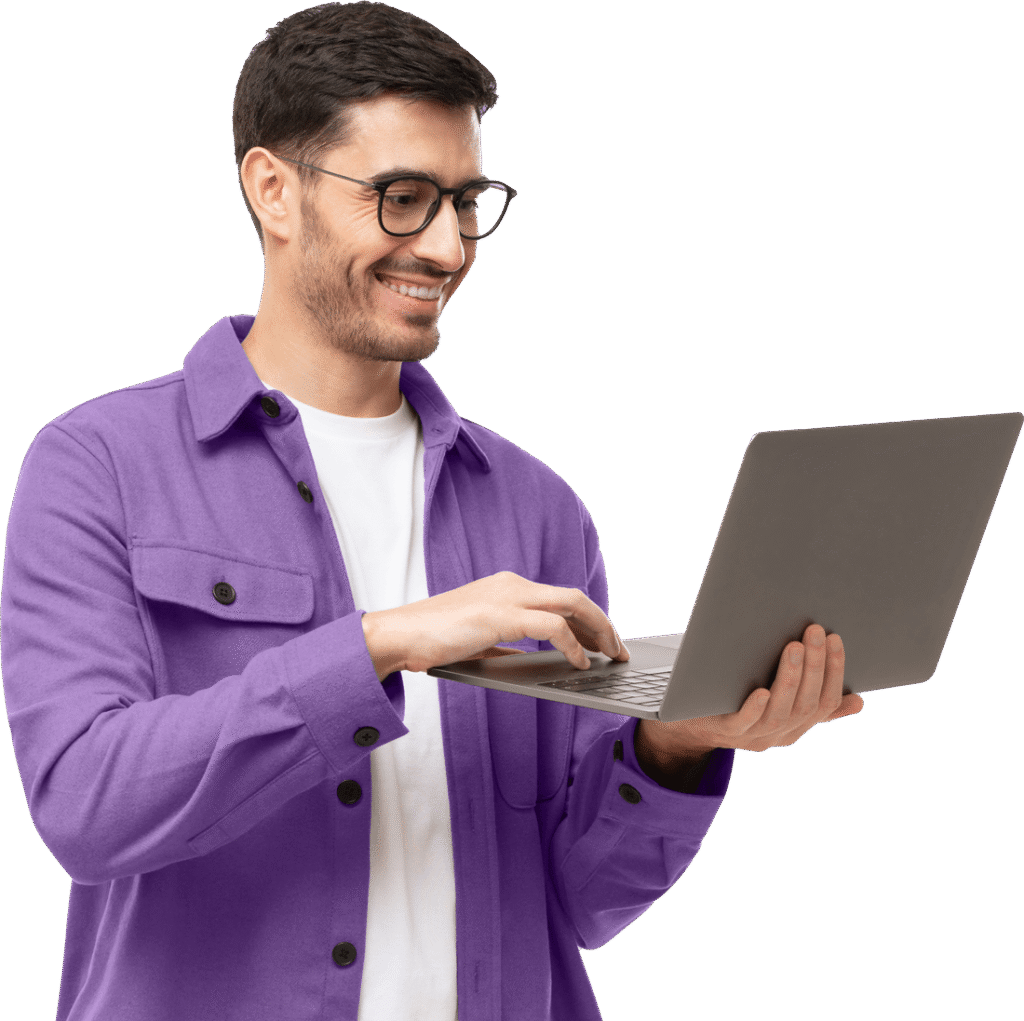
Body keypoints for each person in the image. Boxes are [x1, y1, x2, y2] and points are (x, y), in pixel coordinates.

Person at [0, 4, 863, 1019]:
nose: (448, 247)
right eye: (403, 198)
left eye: (465, 200)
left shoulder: (539, 511)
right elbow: (85, 805)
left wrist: (677, 747)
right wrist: (381, 643)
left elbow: (579, 899)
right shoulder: (100, 465)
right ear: (273, 190)